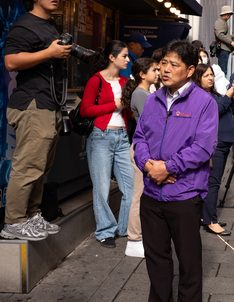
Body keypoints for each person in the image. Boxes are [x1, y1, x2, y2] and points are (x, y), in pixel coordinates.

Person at [133, 40, 218, 302]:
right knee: (156, 262)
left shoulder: (204, 102)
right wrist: (148, 166)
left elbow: (204, 148)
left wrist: (168, 167)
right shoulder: (153, 99)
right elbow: (139, 138)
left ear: (190, 70)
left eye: (173, 64)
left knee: (190, 266)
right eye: (163, 64)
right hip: (151, 195)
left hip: (184, 195)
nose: (165, 69)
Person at [1, 0, 72, 241]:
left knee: (41, 166)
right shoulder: (24, 26)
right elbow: (11, 61)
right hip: (32, 104)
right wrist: (48, 53)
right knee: (28, 165)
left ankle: (31, 216)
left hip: (48, 104)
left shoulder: (50, 26)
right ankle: (14, 222)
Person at [80, 40, 135, 248]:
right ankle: (104, 230)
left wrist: (129, 102)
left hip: (122, 137)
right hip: (101, 137)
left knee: (131, 186)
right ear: (112, 58)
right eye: (124, 56)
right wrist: (115, 105)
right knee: (101, 188)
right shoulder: (96, 80)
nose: (128, 60)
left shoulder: (124, 81)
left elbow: (127, 112)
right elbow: (85, 110)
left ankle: (123, 228)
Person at [120, 58, 160, 258]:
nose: (158, 73)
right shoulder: (141, 94)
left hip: (145, 148)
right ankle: (134, 239)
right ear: (142, 74)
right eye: (154, 70)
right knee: (139, 195)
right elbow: (151, 125)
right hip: (143, 149)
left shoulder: (144, 92)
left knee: (143, 194)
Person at [194, 63, 234, 236]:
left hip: (225, 141)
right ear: (198, 79)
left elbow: (228, 110)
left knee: (211, 181)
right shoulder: (201, 96)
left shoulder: (212, 93)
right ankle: (211, 221)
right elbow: (217, 110)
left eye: (211, 75)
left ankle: (206, 216)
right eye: (206, 75)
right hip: (216, 143)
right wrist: (228, 96)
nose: (211, 78)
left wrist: (231, 97)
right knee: (213, 182)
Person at [214, 6, 234, 76]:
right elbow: (220, 35)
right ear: (224, 14)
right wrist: (231, 42)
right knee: (222, 71)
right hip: (222, 49)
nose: (229, 16)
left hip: (225, 49)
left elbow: (224, 35)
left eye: (230, 14)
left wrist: (233, 36)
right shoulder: (220, 22)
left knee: (223, 70)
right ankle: (221, 86)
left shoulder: (223, 22)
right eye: (228, 14)